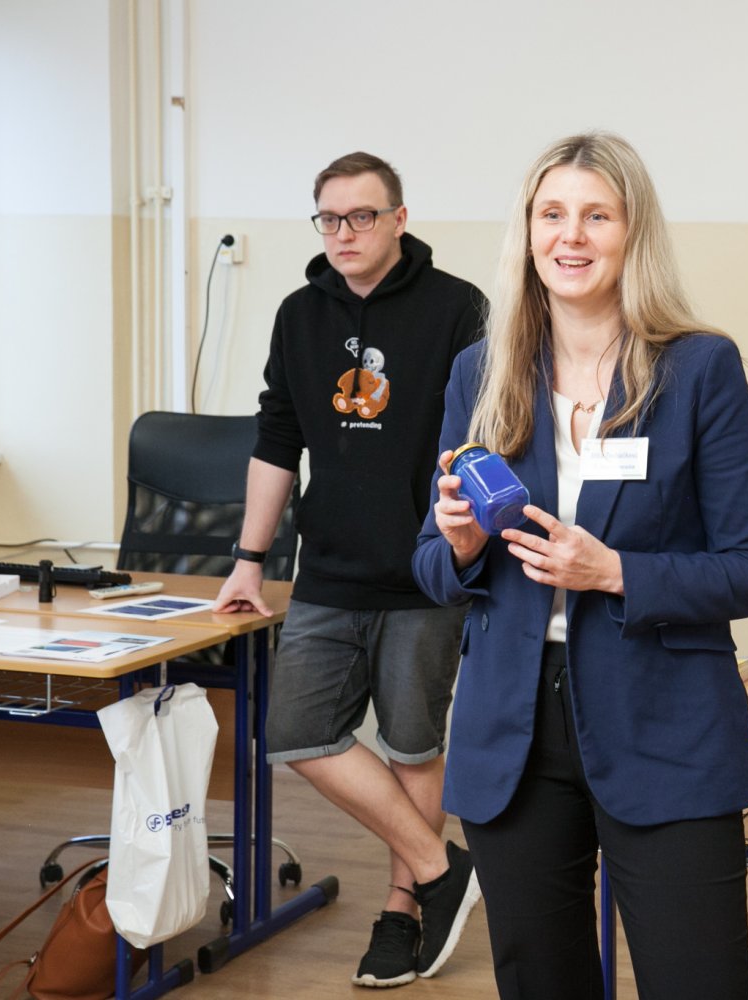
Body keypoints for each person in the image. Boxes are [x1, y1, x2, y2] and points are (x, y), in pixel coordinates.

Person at [412, 132, 748, 1000]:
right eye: (552, 214)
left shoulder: (699, 369)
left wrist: (616, 571)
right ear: (528, 232)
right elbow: (431, 564)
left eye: (596, 216)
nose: (570, 236)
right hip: (514, 731)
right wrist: (459, 546)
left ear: (633, 232)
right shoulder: (481, 372)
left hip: (666, 721)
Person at [212, 151, 485, 988]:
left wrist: (467, 550)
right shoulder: (299, 314)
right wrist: (249, 560)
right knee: (297, 733)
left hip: (423, 570)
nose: (343, 233)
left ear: (399, 219)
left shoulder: (457, 307)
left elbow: (480, 437)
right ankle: (440, 869)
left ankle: (402, 913)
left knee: (411, 747)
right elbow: (276, 439)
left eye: (361, 216)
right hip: (326, 568)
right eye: (329, 218)